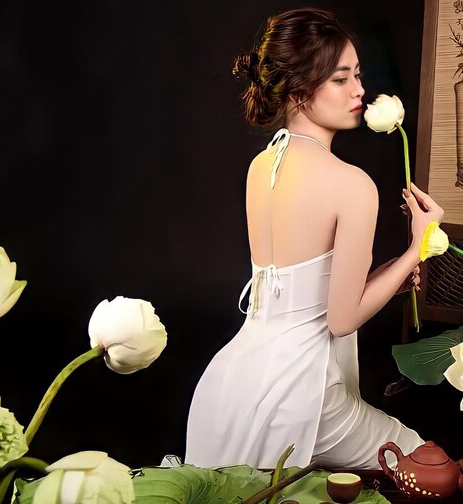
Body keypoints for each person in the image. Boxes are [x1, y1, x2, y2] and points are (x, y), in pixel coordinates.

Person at [185, 8, 444, 470]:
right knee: (432, 465)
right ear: (300, 91)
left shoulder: (261, 166)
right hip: (302, 398)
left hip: (230, 387)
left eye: (357, 75)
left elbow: (302, 292)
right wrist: (416, 248)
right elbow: (341, 320)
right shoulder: (352, 184)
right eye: (341, 79)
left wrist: (389, 276)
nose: (360, 90)